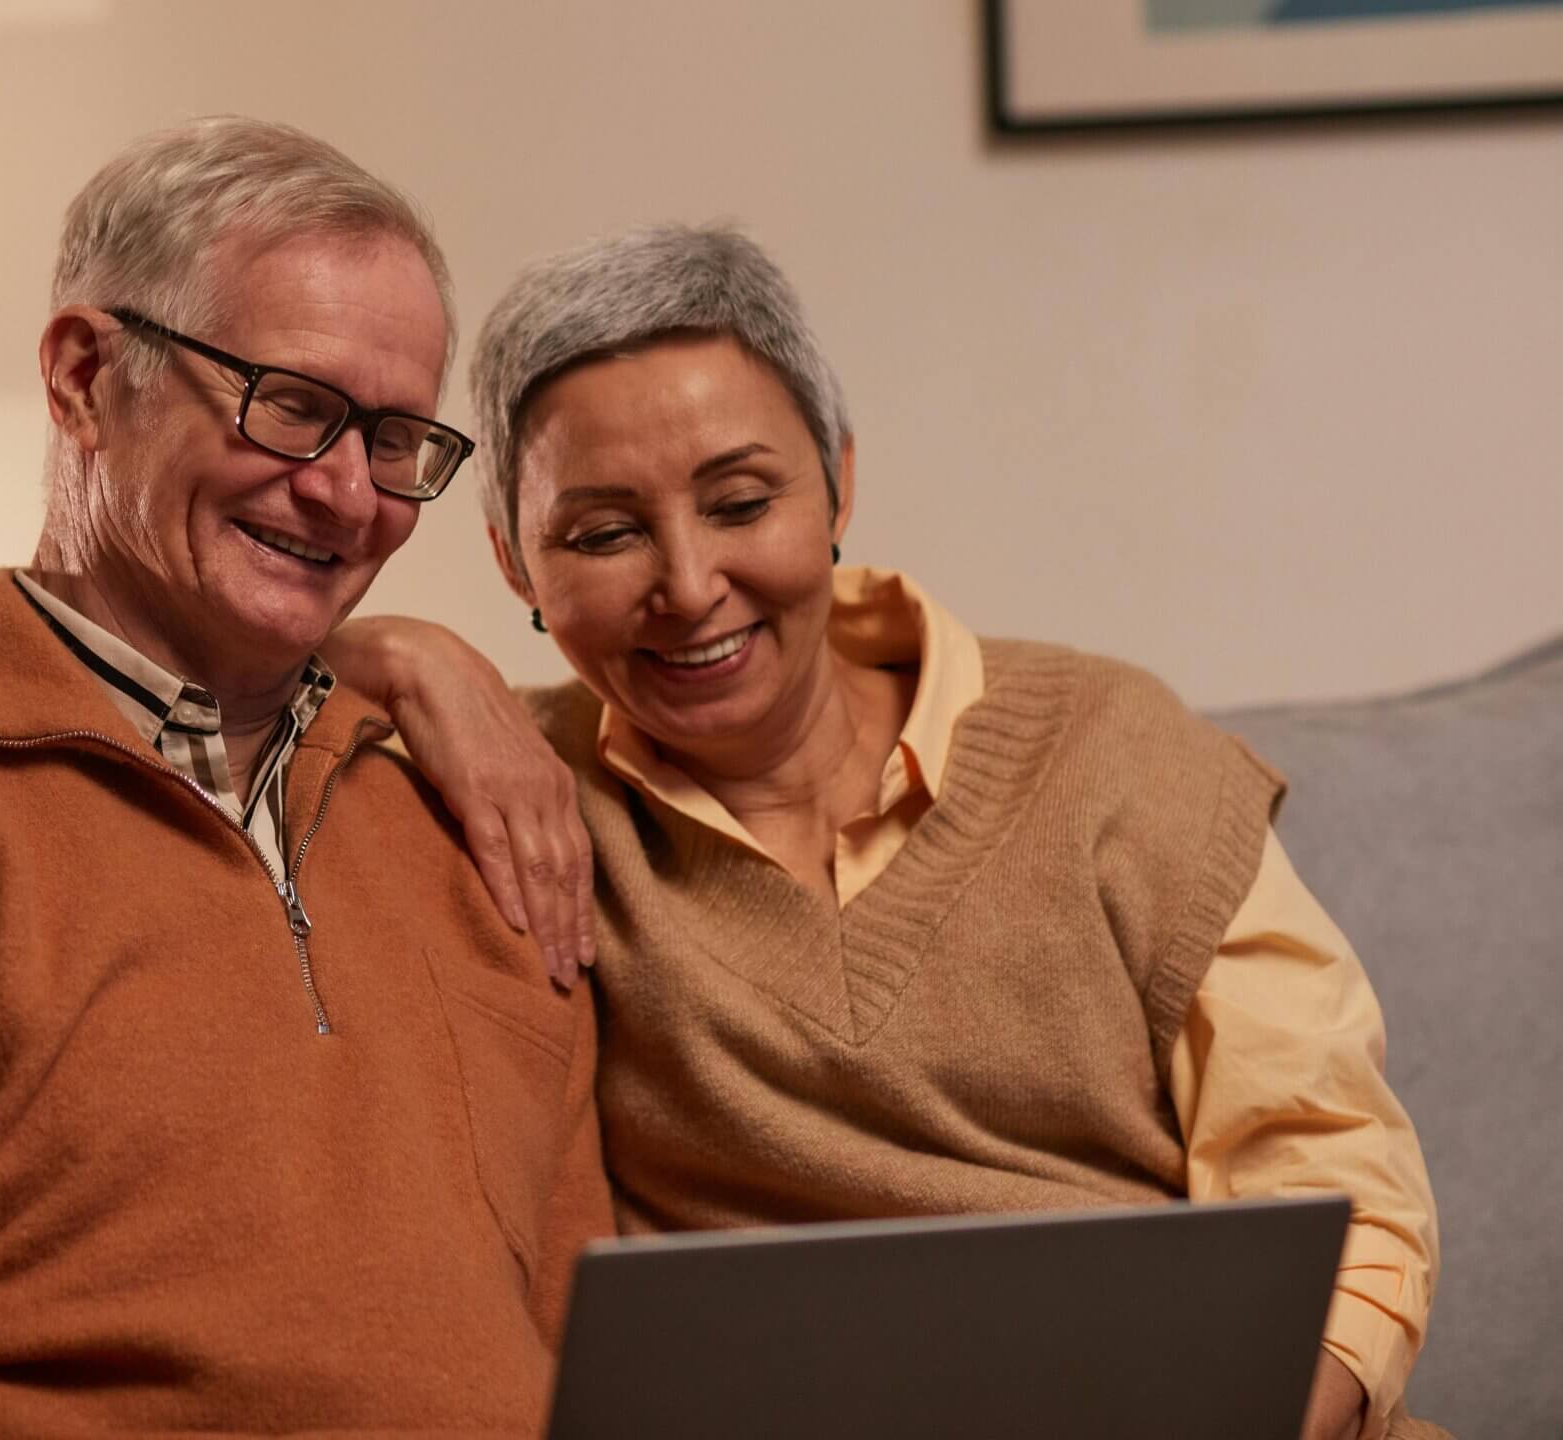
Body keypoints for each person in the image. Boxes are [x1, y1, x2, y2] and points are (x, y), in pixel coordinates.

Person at [334, 224, 1445, 1440]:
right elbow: (157, 669)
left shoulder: (1111, 745)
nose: (690, 583)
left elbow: (1335, 1178)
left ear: (838, 486)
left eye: (740, 502)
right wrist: (394, 652)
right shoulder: (514, 802)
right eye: (602, 534)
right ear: (512, 566)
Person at [0, 117, 614, 1439]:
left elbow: (602, 1373)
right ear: (87, 377)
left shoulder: (480, 812)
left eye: (393, 439)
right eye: (294, 405)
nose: (345, 494)